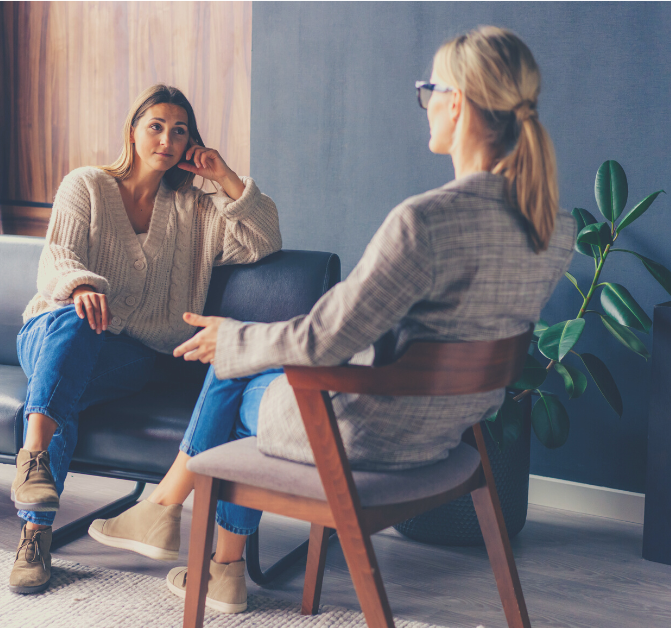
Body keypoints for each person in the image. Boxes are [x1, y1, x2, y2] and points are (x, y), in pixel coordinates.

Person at [89, 26, 575, 614]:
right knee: (246, 353)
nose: (426, 105)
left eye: (429, 90)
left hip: (367, 435)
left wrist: (234, 338)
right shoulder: (553, 227)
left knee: (233, 366)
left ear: (458, 103)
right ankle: (210, 558)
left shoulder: (426, 221)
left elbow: (326, 338)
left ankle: (179, 526)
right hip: (448, 434)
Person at [9, 84, 282, 594]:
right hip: (51, 329)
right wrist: (83, 285)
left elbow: (264, 242)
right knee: (76, 323)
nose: (167, 138)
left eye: (180, 131)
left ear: (190, 143)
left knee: (64, 389)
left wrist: (224, 177)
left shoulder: (197, 210)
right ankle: (35, 471)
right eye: (156, 126)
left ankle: (33, 527)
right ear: (133, 133)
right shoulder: (86, 185)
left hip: (133, 356)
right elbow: (56, 258)